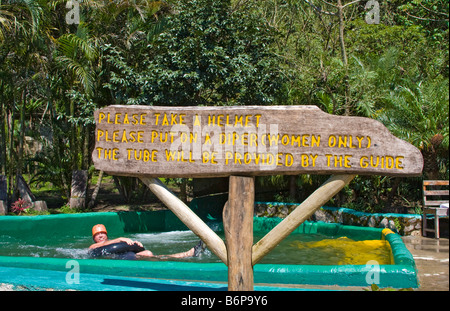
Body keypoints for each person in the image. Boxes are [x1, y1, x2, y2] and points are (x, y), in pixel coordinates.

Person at [89, 224, 205, 259]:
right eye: (97, 234)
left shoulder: (117, 242)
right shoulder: (93, 246)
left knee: (148, 253)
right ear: (94, 238)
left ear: (106, 235)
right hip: (116, 259)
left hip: (126, 255)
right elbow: (102, 246)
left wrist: (136, 245)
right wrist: (120, 239)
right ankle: (187, 254)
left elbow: (119, 245)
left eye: (102, 233)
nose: (100, 236)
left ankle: (188, 254)